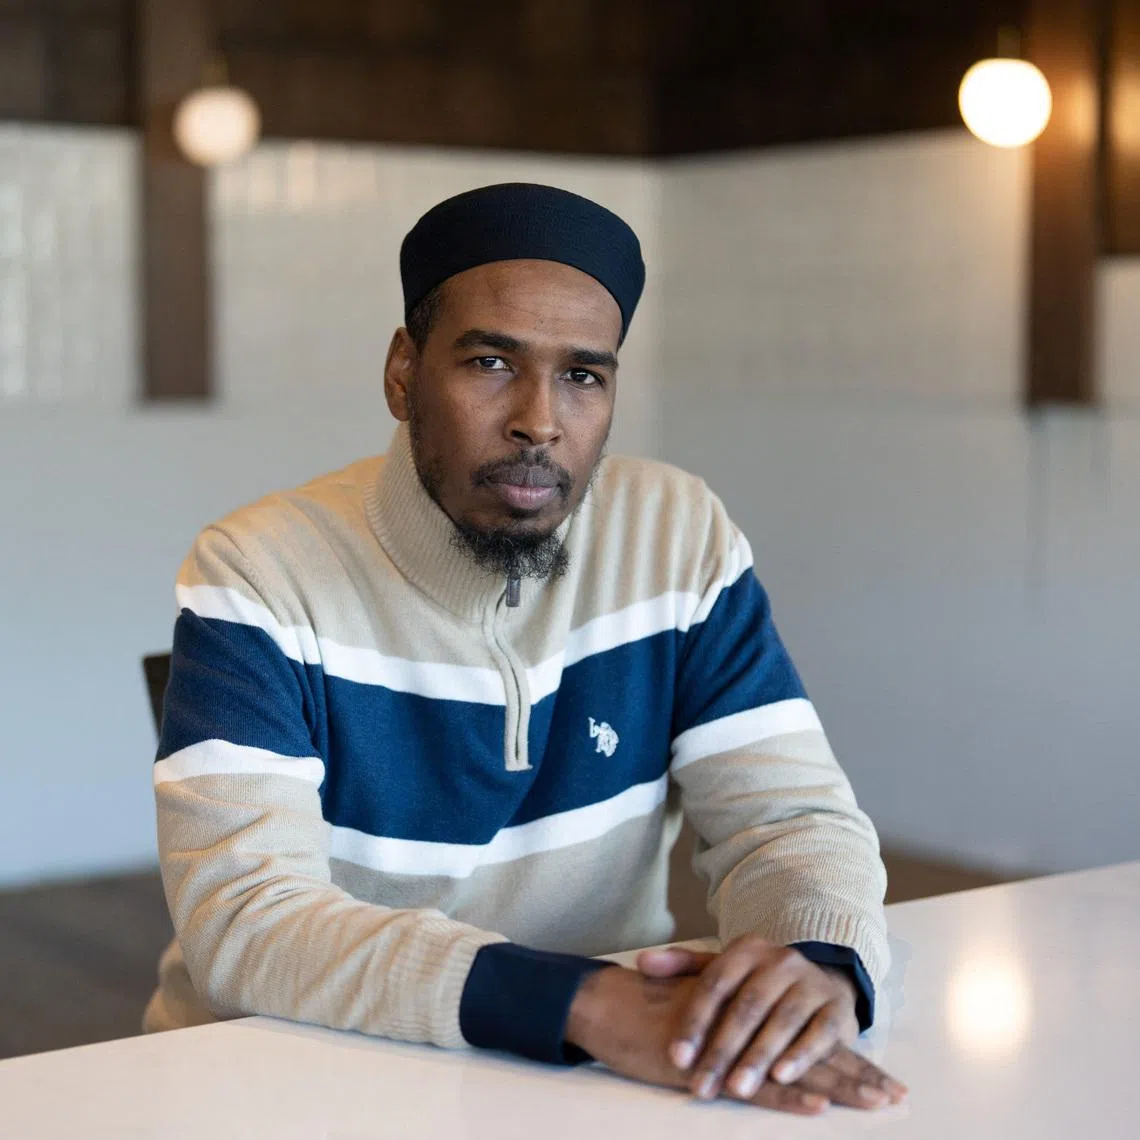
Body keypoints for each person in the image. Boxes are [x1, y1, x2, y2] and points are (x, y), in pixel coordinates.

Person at [145, 183, 906, 1116]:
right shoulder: (259, 568)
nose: (540, 421)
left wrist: (814, 964)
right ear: (403, 374)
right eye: (492, 362)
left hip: (601, 1081)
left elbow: (787, 820)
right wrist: (582, 1002)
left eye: (583, 375)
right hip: (295, 1083)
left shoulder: (677, 536)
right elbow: (245, 916)